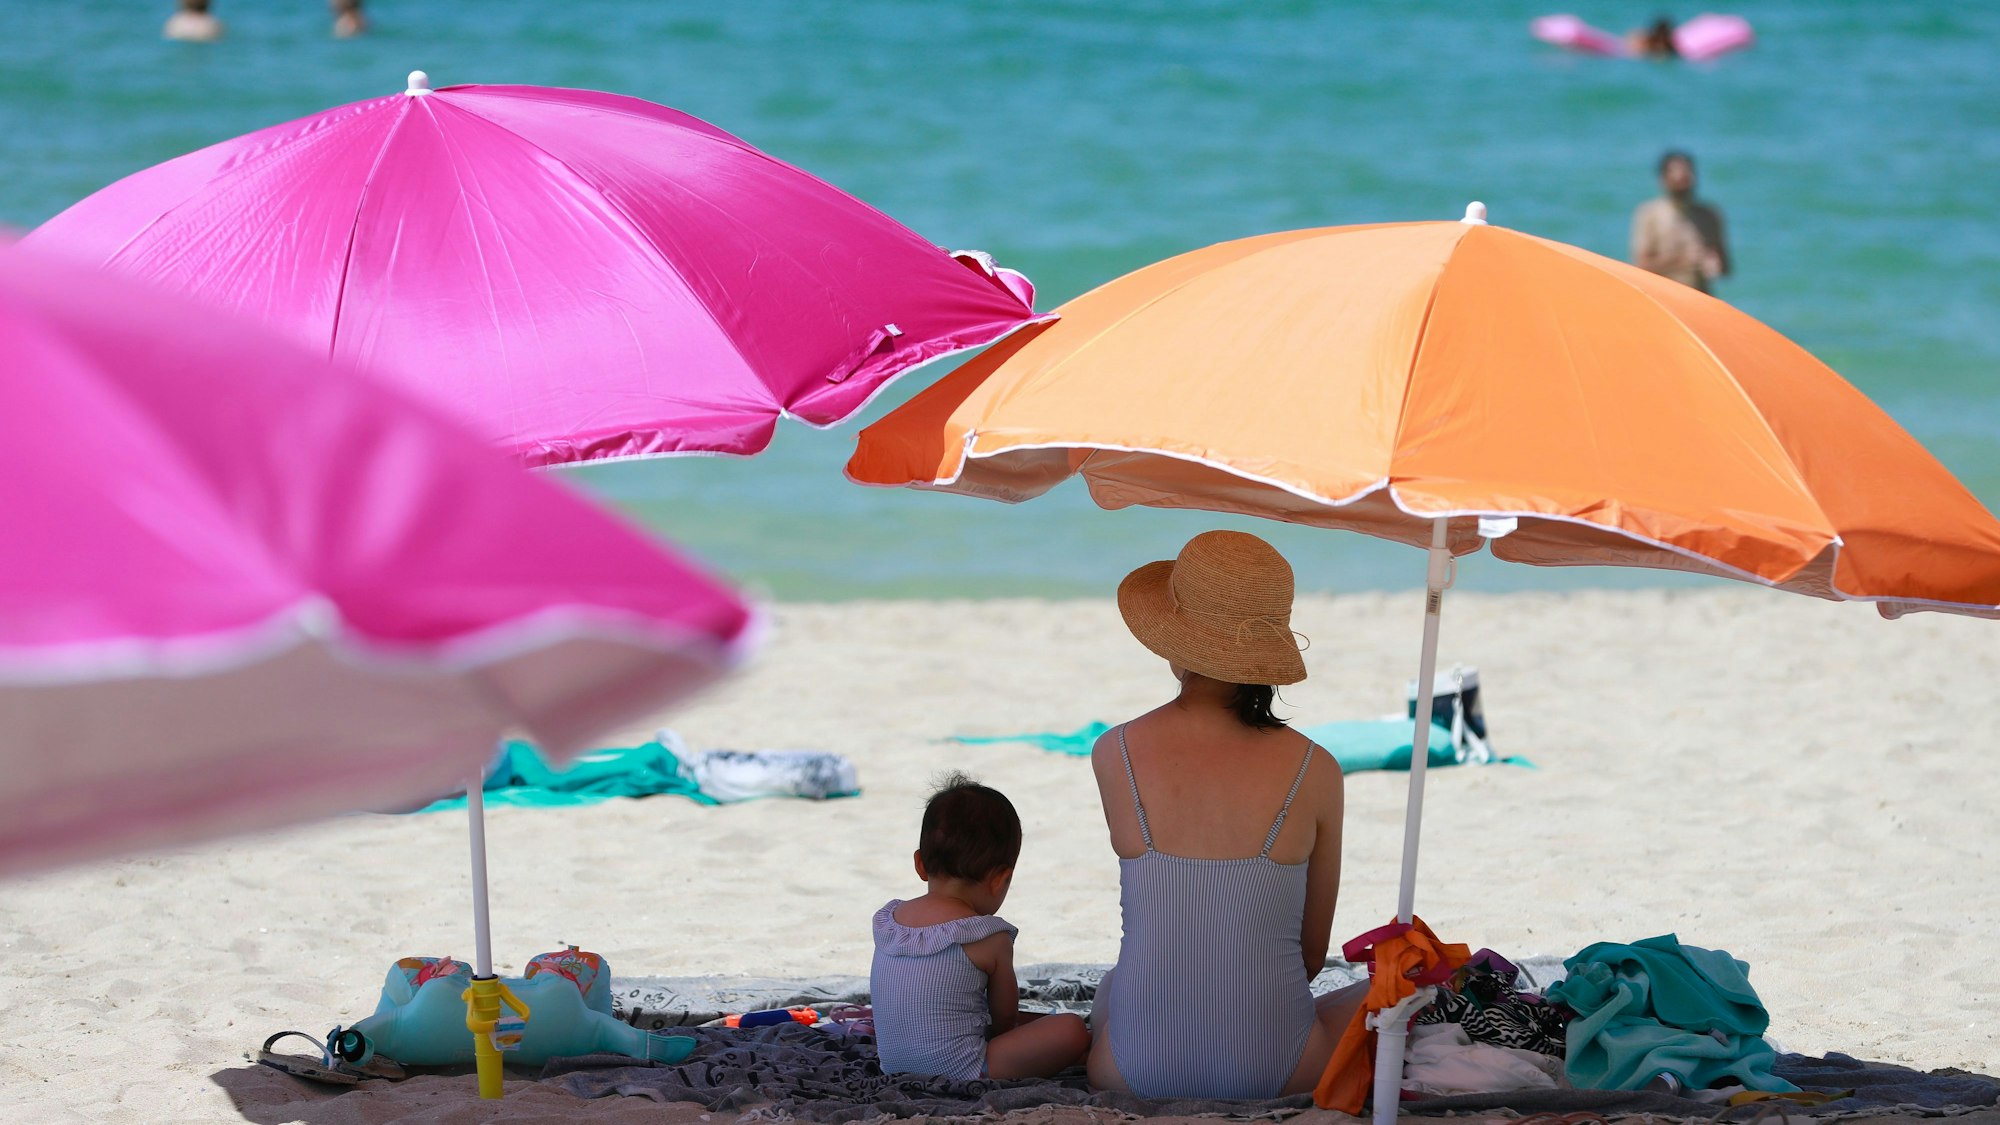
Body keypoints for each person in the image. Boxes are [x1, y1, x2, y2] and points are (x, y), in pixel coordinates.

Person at [1087, 530, 1365, 1099]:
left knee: (1117, 983)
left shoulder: (1113, 753)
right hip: (1284, 1068)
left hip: (1133, 1072)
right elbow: (1311, 956)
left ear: (1175, 640)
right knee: (1386, 993)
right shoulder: (1317, 769)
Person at [870, 775, 1091, 1080]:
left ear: (920, 864)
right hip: (966, 1070)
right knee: (1072, 1029)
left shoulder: (890, 921)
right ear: (999, 879)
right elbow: (1004, 1022)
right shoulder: (988, 936)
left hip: (892, 1065)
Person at [1631, 150, 1730, 292]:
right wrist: (1683, 261)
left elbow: (1725, 268)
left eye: (1687, 176)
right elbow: (1640, 266)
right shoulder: (1650, 214)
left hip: (1700, 298)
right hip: (1664, 297)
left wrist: (1715, 264)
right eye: (1677, 177)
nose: (1683, 181)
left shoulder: (1709, 215)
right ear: (1663, 179)